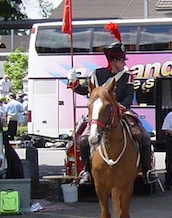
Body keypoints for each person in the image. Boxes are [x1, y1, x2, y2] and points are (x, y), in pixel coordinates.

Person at [67, 22, 157, 185]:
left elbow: (130, 96)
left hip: (122, 111)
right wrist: (73, 83)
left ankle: (147, 170)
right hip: (100, 114)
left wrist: (120, 107)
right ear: (113, 61)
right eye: (121, 60)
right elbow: (87, 92)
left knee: (143, 137)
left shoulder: (127, 76)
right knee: (84, 140)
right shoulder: (97, 74)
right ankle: (87, 171)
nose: (124, 63)